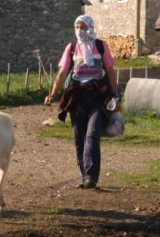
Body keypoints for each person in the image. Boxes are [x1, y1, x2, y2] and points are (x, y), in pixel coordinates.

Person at [44, 14, 119, 189]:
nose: (80, 30)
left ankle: (91, 177)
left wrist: (114, 95)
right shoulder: (71, 48)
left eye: (83, 27)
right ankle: (85, 175)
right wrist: (53, 94)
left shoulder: (101, 46)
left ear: (90, 27)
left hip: (98, 97)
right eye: (77, 27)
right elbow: (62, 73)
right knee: (79, 138)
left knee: (92, 134)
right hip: (77, 99)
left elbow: (110, 70)